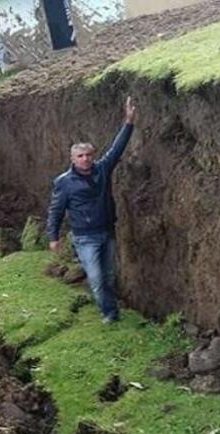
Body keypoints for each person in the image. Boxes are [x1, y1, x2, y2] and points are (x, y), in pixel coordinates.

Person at [46, 96, 136, 324]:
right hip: (85, 237)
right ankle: (109, 314)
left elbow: (117, 149)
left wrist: (129, 122)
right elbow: (56, 211)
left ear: (93, 156)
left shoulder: (103, 169)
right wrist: (53, 237)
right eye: (80, 156)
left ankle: (111, 307)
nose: (85, 159)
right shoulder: (64, 182)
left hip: (107, 231)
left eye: (88, 155)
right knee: (96, 278)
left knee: (109, 276)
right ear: (72, 159)